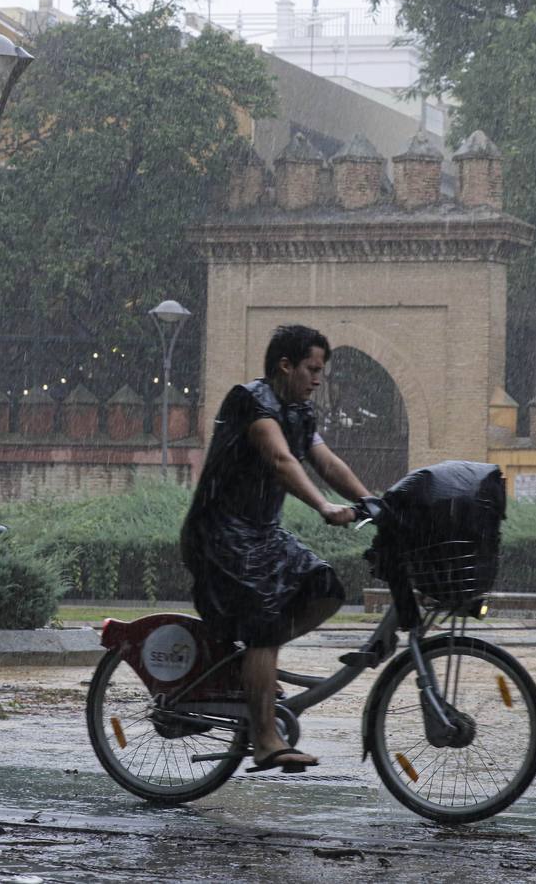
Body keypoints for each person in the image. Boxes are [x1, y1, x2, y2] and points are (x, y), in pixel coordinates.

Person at [180, 324, 371, 774]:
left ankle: (253, 671)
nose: (317, 379)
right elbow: (282, 461)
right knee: (265, 620)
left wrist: (372, 503)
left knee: (325, 587)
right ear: (285, 365)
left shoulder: (300, 412)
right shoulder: (252, 402)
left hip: (262, 535)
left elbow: (326, 461)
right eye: (312, 369)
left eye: (320, 370)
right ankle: (265, 739)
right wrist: (324, 505)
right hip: (220, 533)